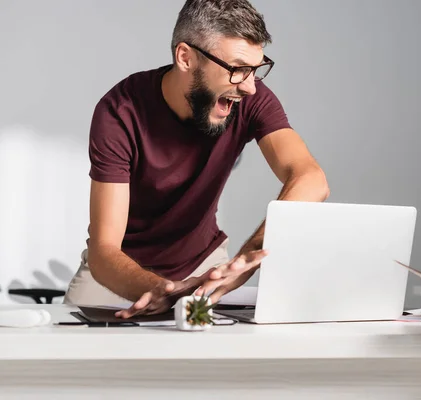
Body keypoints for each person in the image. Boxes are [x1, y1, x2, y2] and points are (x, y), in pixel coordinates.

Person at [63, 0, 329, 317]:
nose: (250, 88)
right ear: (186, 58)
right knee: (71, 353)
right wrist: (159, 289)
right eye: (237, 69)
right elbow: (105, 250)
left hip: (206, 265)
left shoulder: (250, 101)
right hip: (118, 272)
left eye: (256, 70)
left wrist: (245, 261)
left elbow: (311, 179)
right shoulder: (120, 111)